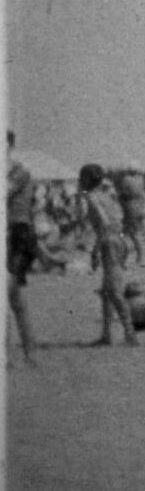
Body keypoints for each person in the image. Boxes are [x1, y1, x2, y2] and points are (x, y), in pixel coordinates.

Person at [79, 163, 138, 347]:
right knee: (107, 292)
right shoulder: (106, 194)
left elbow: (104, 223)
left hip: (109, 241)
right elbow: (117, 218)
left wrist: (96, 249)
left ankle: (130, 334)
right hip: (118, 240)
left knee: (113, 291)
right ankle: (107, 335)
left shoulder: (92, 197)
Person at [8, 131, 39, 364]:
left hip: (17, 234)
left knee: (12, 294)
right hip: (12, 233)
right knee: (14, 297)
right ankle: (28, 352)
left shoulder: (19, 171)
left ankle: (29, 352)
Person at [118, 162, 145, 266]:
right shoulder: (141, 179)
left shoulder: (126, 179)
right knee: (135, 232)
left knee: (131, 233)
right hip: (141, 207)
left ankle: (138, 256)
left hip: (131, 207)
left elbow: (125, 193)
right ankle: (137, 254)